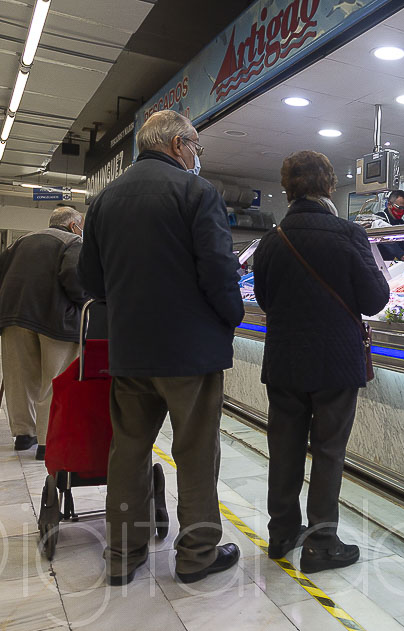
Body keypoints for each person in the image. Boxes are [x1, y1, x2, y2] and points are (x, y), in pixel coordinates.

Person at [79, 109, 244, 586]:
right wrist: (231, 316)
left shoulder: (105, 201)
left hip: (130, 349)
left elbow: (90, 280)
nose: (196, 155)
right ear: (176, 145)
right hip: (190, 353)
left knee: (127, 449)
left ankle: (122, 555)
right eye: (195, 146)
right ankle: (196, 556)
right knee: (195, 452)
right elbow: (218, 269)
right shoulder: (197, 193)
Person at [253, 150, 390, 573]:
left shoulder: (272, 239)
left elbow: (263, 300)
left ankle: (281, 535)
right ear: (329, 185)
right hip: (335, 362)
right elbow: (375, 299)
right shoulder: (348, 234)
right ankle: (321, 544)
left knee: (284, 448)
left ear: (287, 187)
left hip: (285, 359)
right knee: (328, 451)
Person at [0, 206, 86, 460]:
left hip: (14, 316)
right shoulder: (73, 242)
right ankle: (46, 440)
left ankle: (24, 435)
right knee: (55, 379)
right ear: (74, 225)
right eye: (81, 224)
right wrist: (83, 300)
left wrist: (15, 293)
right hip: (55, 319)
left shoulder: (22, 241)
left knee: (20, 378)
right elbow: (74, 278)